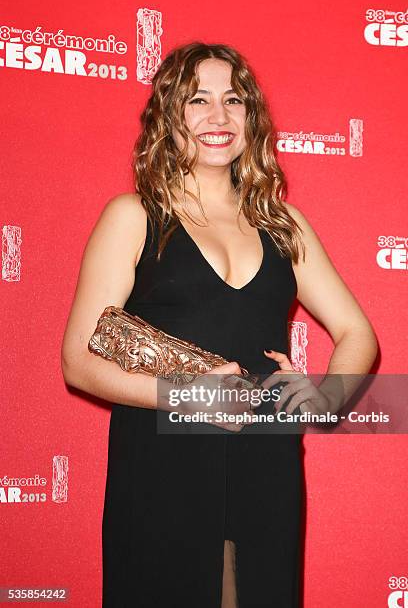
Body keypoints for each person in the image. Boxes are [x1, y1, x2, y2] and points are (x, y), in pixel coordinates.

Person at [61, 42, 378, 607]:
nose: (218, 117)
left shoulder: (284, 224)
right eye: (197, 101)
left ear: (250, 117)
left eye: (233, 100)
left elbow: (358, 332)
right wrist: (186, 397)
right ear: (168, 116)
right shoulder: (134, 215)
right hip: (162, 464)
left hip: (266, 458)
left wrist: (328, 393)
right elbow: (79, 362)